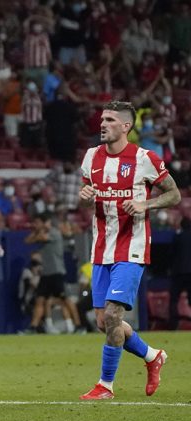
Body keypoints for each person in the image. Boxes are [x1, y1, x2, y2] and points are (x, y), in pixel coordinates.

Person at [78, 101, 181, 400]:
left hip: (132, 248)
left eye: (110, 120)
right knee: (104, 322)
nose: (102, 124)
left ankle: (105, 386)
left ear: (126, 126)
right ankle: (152, 356)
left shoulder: (145, 158)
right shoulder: (91, 158)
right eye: (101, 119)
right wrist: (84, 198)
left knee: (112, 315)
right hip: (101, 250)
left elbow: (174, 194)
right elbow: (87, 198)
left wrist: (145, 204)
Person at [169, 217, 191, 330]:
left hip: (178, 273)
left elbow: (171, 255)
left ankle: (173, 325)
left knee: (174, 300)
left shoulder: (177, 237)